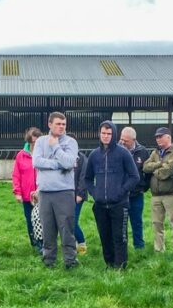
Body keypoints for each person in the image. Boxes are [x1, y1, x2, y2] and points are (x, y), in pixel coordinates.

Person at [84, 121, 139, 269]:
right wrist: (95, 193)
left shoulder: (123, 153)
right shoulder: (94, 155)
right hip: (100, 205)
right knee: (104, 236)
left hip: (119, 204)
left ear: (114, 134)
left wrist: (121, 192)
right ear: (99, 134)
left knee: (119, 237)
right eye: (103, 133)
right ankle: (109, 264)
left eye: (109, 133)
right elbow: (87, 178)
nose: (106, 136)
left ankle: (120, 266)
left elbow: (134, 176)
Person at [32, 112, 80, 268]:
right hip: (45, 192)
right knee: (47, 229)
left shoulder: (71, 142)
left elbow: (69, 162)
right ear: (49, 124)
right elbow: (37, 161)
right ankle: (49, 261)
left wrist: (55, 147)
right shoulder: (40, 141)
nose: (61, 127)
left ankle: (70, 261)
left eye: (64, 124)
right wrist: (57, 164)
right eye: (58, 124)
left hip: (64, 192)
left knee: (67, 228)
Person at [144, 127, 173, 253]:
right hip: (155, 195)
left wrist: (155, 169)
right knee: (156, 223)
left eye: (161, 136)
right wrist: (160, 164)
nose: (158, 139)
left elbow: (168, 171)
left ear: (168, 137)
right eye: (156, 137)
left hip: (171, 194)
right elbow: (145, 167)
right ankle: (159, 250)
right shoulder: (155, 152)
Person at [119, 126, 150, 249]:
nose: (122, 142)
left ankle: (139, 246)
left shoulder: (143, 152)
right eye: (121, 139)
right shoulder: (117, 150)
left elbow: (147, 172)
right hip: (121, 194)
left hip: (137, 194)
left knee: (137, 221)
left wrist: (144, 187)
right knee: (122, 222)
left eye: (125, 140)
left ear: (134, 139)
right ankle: (123, 245)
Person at [12, 127, 40, 250]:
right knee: (30, 220)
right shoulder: (21, 155)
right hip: (27, 195)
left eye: (37, 142)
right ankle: (34, 242)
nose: (34, 144)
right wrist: (17, 192)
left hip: (41, 194)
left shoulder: (44, 154)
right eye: (32, 142)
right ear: (28, 141)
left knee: (42, 219)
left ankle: (43, 243)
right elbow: (16, 175)